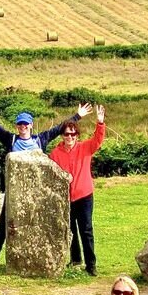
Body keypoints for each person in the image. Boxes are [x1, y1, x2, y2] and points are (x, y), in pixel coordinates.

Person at [0, 95, 91, 271]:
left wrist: (77, 115)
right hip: (15, 192)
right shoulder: (11, 140)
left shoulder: (40, 140)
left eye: (26, 124)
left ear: (31, 125)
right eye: (20, 124)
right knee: (4, 224)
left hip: (37, 193)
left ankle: (38, 257)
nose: (23, 127)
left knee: (39, 223)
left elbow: (59, 128)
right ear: (17, 126)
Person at [50, 104, 106, 276]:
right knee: (71, 230)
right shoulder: (55, 153)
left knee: (86, 229)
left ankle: (91, 265)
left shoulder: (85, 148)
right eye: (67, 134)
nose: (70, 137)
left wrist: (100, 122)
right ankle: (76, 261)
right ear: (62, 135)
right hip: (66, 197)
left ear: (77, 135)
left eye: (73, 134)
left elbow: (97, 140)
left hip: (84, 195)